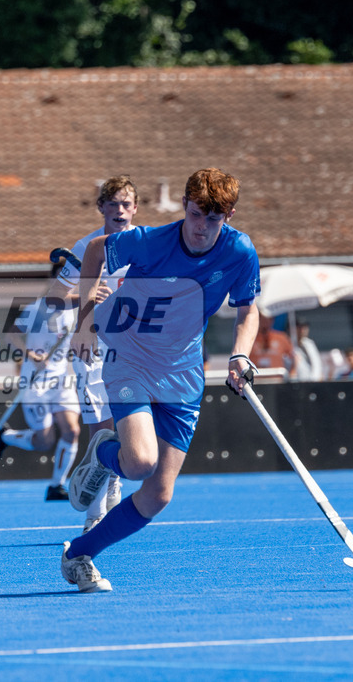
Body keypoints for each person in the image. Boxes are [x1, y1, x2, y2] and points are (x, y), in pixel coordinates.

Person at [64, 168, 260, 593]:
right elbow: (96, 252)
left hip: (183, 372)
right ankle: (105, 454)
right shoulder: (151, 240)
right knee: (138, 462)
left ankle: (78, 553)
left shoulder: (240, 251)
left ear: (228, 215)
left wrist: (240, 353)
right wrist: (83, 322)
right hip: (130, 357)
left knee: (158, 495)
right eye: (195, 215)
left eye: (215, 219)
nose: (202, 228)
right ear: (185, 207)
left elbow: (248, 309)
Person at [43, 175, 143, 530]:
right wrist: (87, 295)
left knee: (128, 425)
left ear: (135, 208)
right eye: (113, 203)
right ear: (101, 207)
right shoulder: (86, 247)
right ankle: (94, 517)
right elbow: (54, 297)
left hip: (136, 347)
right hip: (94, 347)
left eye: (126, 204)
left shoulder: (146, 243)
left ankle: (114, 471)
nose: (119, 210)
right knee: (100, 426)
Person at [0, 277, 81, 501]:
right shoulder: (35, 309)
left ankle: (57, 485)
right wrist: (31, 355)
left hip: (60, 379)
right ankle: (6, 437)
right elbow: (11, 335)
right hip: (35, 382)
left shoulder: (72, 311)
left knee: (72, 431)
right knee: (44, 441)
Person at [250, 314, 297, 379]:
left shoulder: (281, 337)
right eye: (263, 319)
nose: (266, 322)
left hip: (277, 380)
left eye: (269, 319)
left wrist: (292, 374)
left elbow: (294, 357)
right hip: (256, 380)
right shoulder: (249, 339)